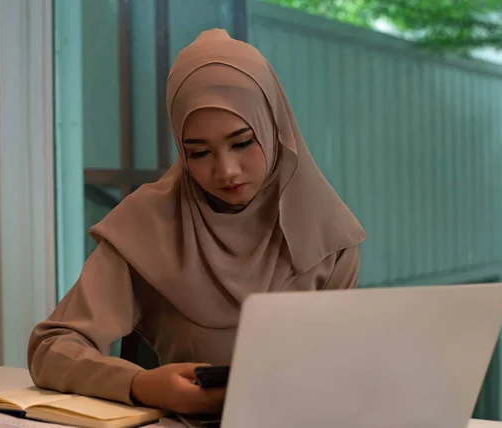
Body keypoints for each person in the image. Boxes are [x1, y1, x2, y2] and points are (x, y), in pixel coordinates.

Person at [27, 28, 367, 416]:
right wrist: (141, 385)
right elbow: (51, 348)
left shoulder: (328, 239)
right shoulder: (147, 225)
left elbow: (341, 373)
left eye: (242, 143)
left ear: (274, 127)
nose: (226, 171)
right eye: (199, 152)